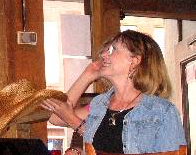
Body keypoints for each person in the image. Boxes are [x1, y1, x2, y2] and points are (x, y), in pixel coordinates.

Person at [41, 30, 186, 154]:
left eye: (112, 50)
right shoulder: (99, 104)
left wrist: (75, 123)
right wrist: (87, 76)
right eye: (105, 50)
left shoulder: (162, 111)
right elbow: (57, 117)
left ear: (134, 61)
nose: (104, 55)